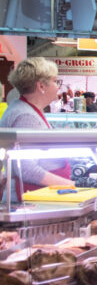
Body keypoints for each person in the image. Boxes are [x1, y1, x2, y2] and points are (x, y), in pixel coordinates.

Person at [0, 58, 74, 193]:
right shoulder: (26, 116)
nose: (58, 87)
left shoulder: (25, 109)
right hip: (30, 195)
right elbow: (26, 169)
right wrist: (71, 185)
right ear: (41, 86)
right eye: (55, 81)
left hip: (38, 193)